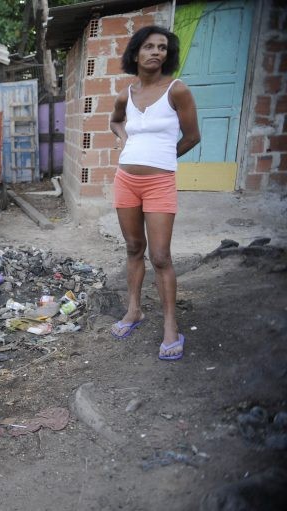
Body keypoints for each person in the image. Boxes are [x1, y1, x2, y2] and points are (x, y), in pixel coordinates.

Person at [109, 26, 200, 361]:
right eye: (148, 46)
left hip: (160, 182)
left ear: (168, 55)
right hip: (126, 180)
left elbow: (192, 136)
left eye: (162, 48)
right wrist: (126, 142)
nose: (156, 52)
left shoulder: (178, 91)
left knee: (160, 256)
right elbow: (115, 121)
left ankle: (170, 326)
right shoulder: (126, 95)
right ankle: (134, 311)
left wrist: (160, 158)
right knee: (134, 247)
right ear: (136, 53)